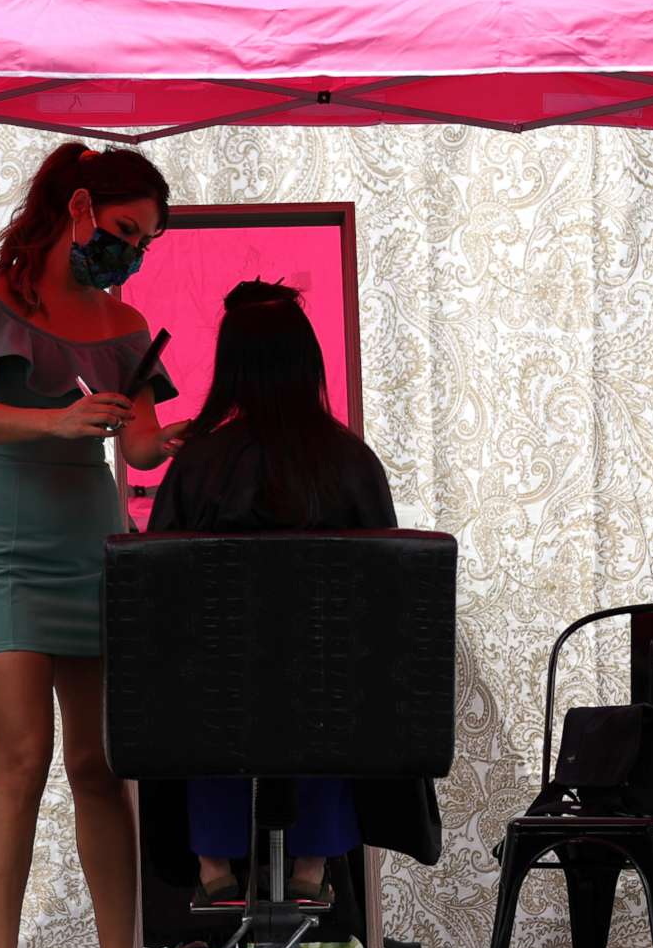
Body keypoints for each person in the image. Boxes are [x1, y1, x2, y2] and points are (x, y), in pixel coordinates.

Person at [0, 141, 181, 948]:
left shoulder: (125, 321)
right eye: (122, 232)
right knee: (22, 760)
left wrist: (173, 435)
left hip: (92, 547)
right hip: (5, 549)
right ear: (77, 210)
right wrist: (61, 422)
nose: (131, 253)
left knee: (103, 767)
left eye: (145, 241)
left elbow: (142, 447)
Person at [141, 281, 438, 910]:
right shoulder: (352, 463)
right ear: (309, 363)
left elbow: (155, 594)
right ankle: (312, 867)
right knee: (330, 689)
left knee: (206, 694)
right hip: (325, 707)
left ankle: (213, 863)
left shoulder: (198, 466)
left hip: (217, 707)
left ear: (233, 368)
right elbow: (390, 599)